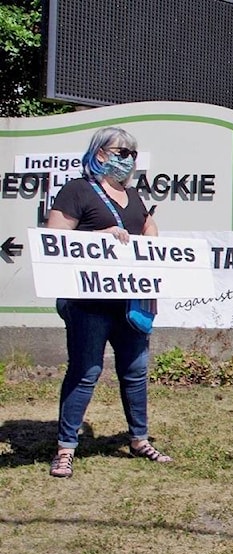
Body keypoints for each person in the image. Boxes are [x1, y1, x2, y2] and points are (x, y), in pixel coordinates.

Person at [45, 126, 171, 478]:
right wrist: (97, 236)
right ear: (100, 153)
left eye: (132, 153)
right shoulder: (77, 191)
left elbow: (145, 227)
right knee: (86, 372)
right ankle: (66, 448)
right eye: (121, 151)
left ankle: (139, 439)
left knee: (135, 372)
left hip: (129, 303)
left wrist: (151, 232)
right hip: (88, 303)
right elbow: (55, 238)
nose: (127, 159)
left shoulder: (133, 196)